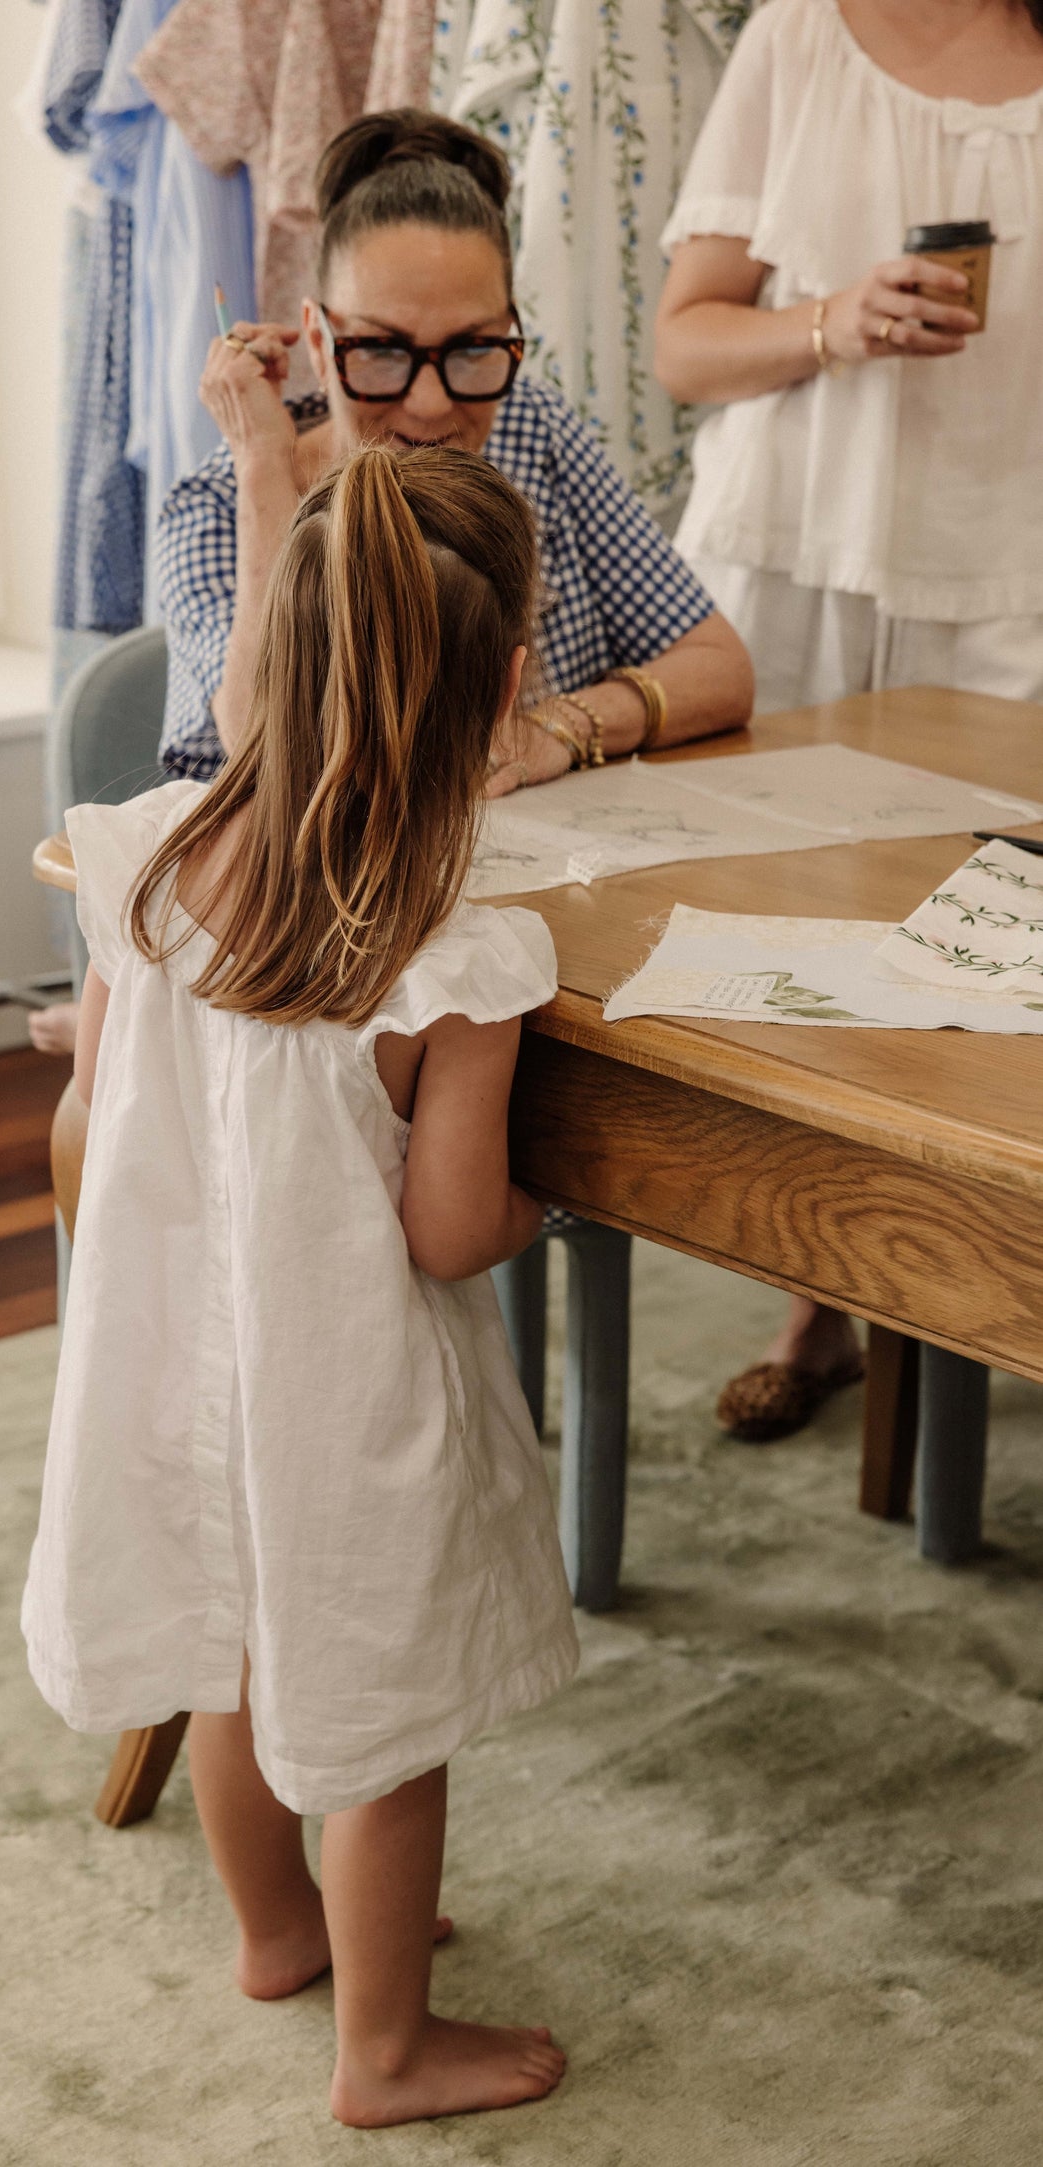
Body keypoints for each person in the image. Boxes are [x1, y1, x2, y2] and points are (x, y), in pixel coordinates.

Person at [22, 442, 578, 2128]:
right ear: (487, 688)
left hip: (174, 1354)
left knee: (230, 1656)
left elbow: (113, 1104)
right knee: (380, 1722)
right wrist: (554, 1184)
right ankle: (389, 2053)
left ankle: (279, 1934)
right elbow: (448, 1230)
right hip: (343, 1390)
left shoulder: (145, 859)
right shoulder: (455, 947)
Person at [654, 0, 1043, 1442]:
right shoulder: (798, 38)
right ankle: (818, 1301)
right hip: (798, 556)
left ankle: (969, 1289)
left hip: (1011, 571)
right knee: (794, 941)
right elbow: (682, 347)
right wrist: (831, 321)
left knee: (987, 965)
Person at [159, 107, 754, 793]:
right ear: (317, 342)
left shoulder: (530, 425)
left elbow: (718, 668)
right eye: (382, 351)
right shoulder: (216, 504)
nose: (432, 404)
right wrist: (263, 467)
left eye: (472, 349)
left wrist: (557, 728)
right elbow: (262, 747)